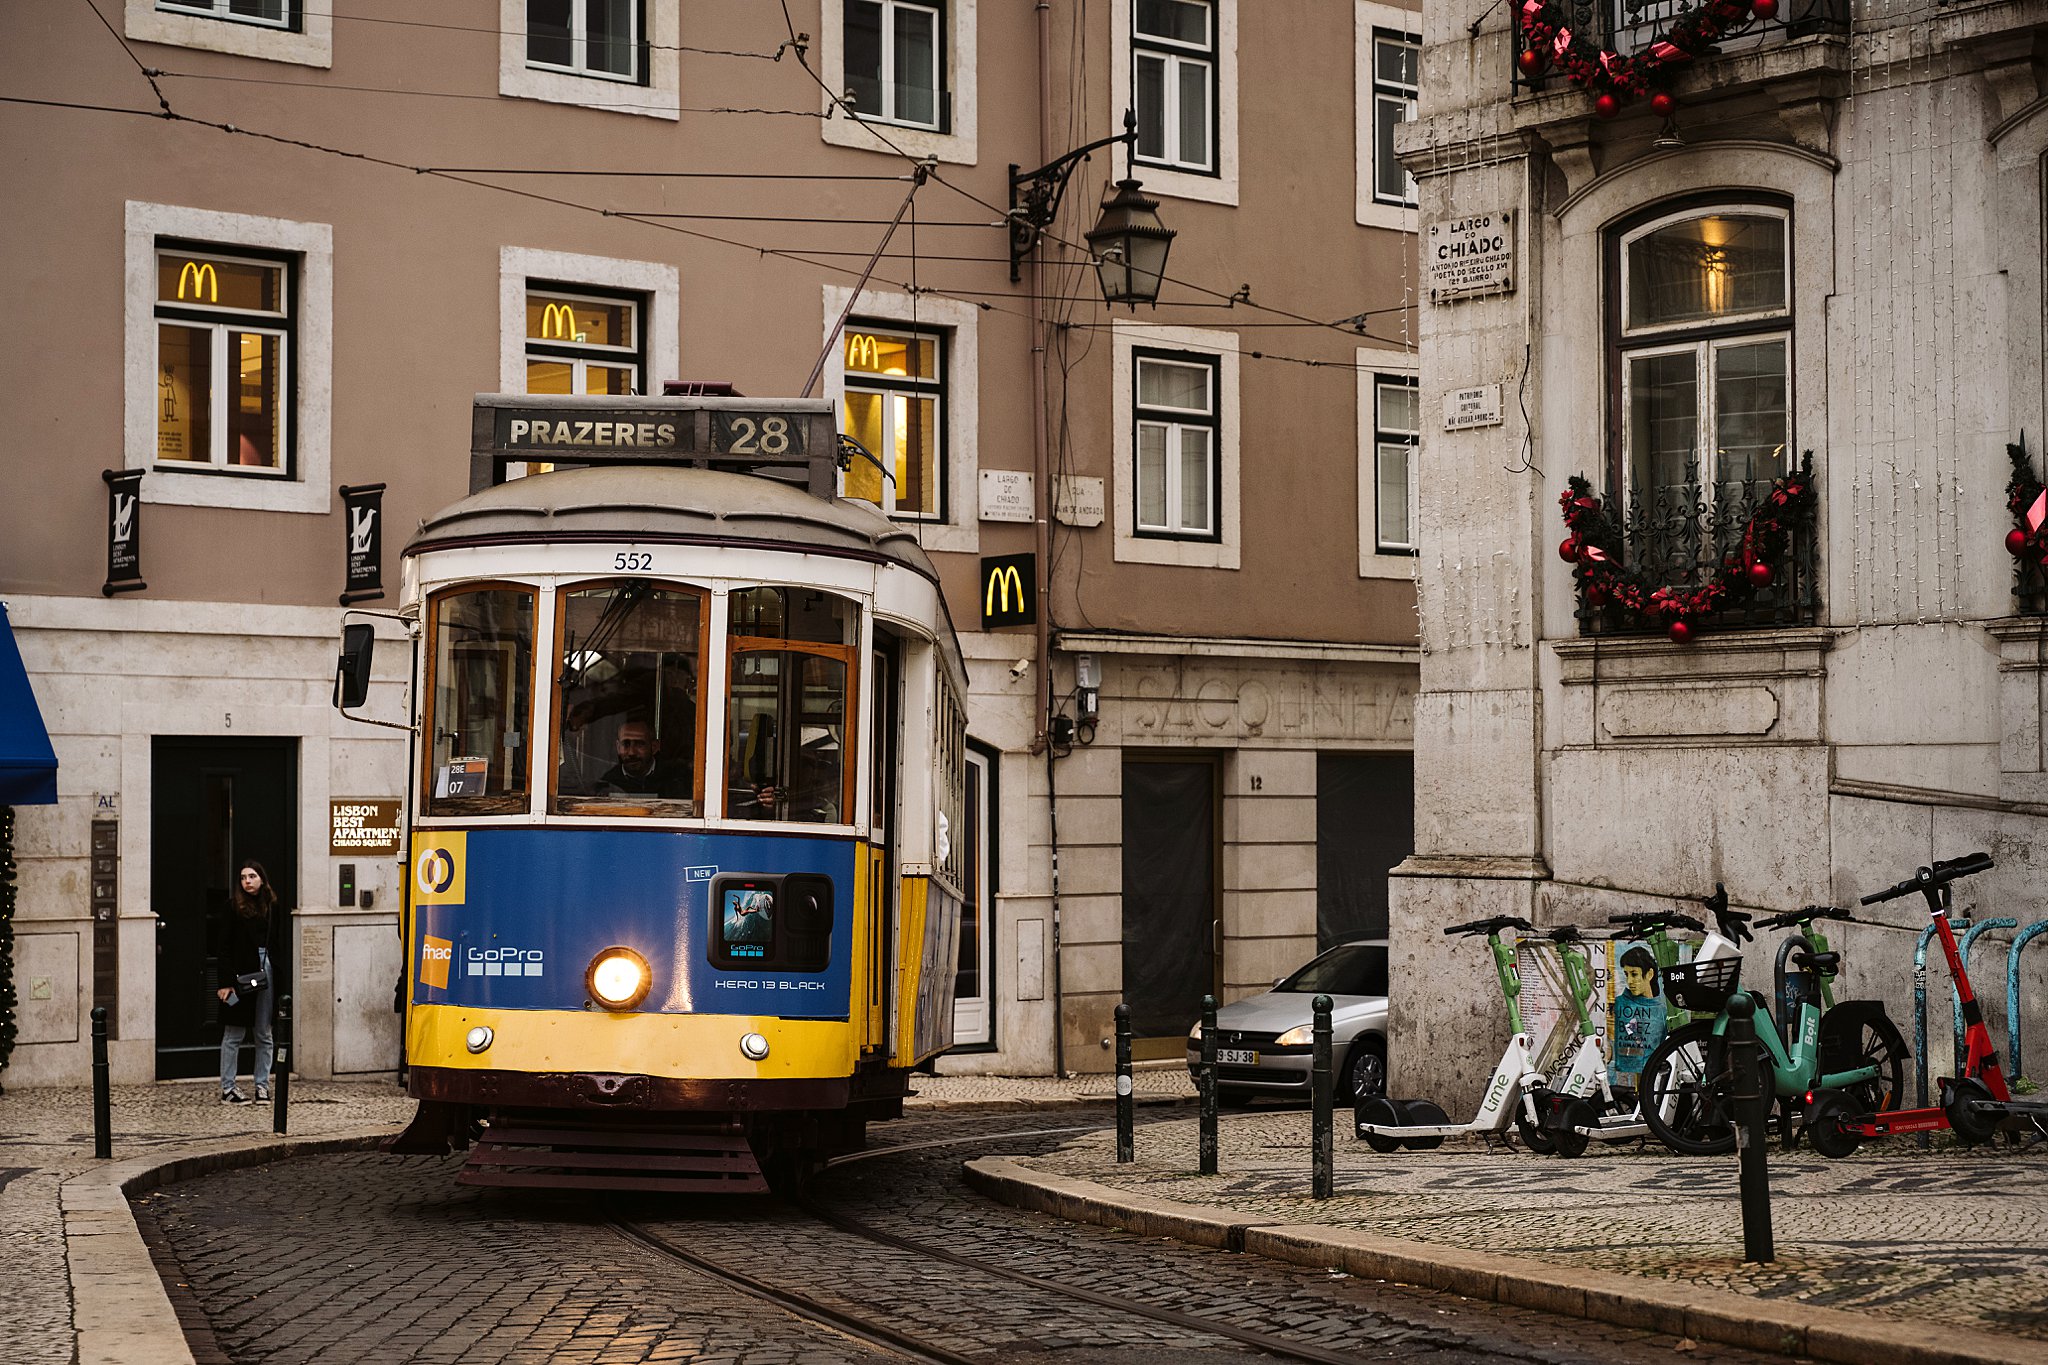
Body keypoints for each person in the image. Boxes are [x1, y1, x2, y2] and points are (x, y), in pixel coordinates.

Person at [215, 861, 278, 1105]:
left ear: (262, 878)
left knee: (264, 1032)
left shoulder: (271, 906)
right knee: (233, 1033)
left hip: (266, 972)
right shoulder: (233, 908)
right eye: (243, 878)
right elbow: (223, 946)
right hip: (239, 977)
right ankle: (228, 1088)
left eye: (252, 876)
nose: (247, 881)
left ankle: (262, 1085)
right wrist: (224, 982)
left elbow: (278, 944)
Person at [1611, 944, 1666, 1085]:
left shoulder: (1662, 1009)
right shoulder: (1622, 1004)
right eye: (1626, 974)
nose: (1629, 981)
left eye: (1634, 974)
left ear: (1649, 974)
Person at [596, 718, 688, 798]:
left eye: (639, 744)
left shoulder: (675, 779)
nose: (632, 752)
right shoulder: (609, 782)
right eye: (625, 744)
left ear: (654, 747)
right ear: (618, 747)